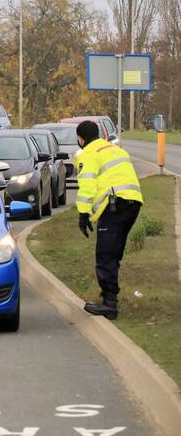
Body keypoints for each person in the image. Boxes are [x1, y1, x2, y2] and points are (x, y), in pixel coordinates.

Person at [75, 120, 143, 320]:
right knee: (114, 253)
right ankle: (109, 296)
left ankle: (109, 303)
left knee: (105, 254)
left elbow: (86, 184)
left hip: (114, 206)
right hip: (133, 203)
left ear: (81, 138)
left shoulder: (88, 154)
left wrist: (83, 214)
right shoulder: (116, 150)